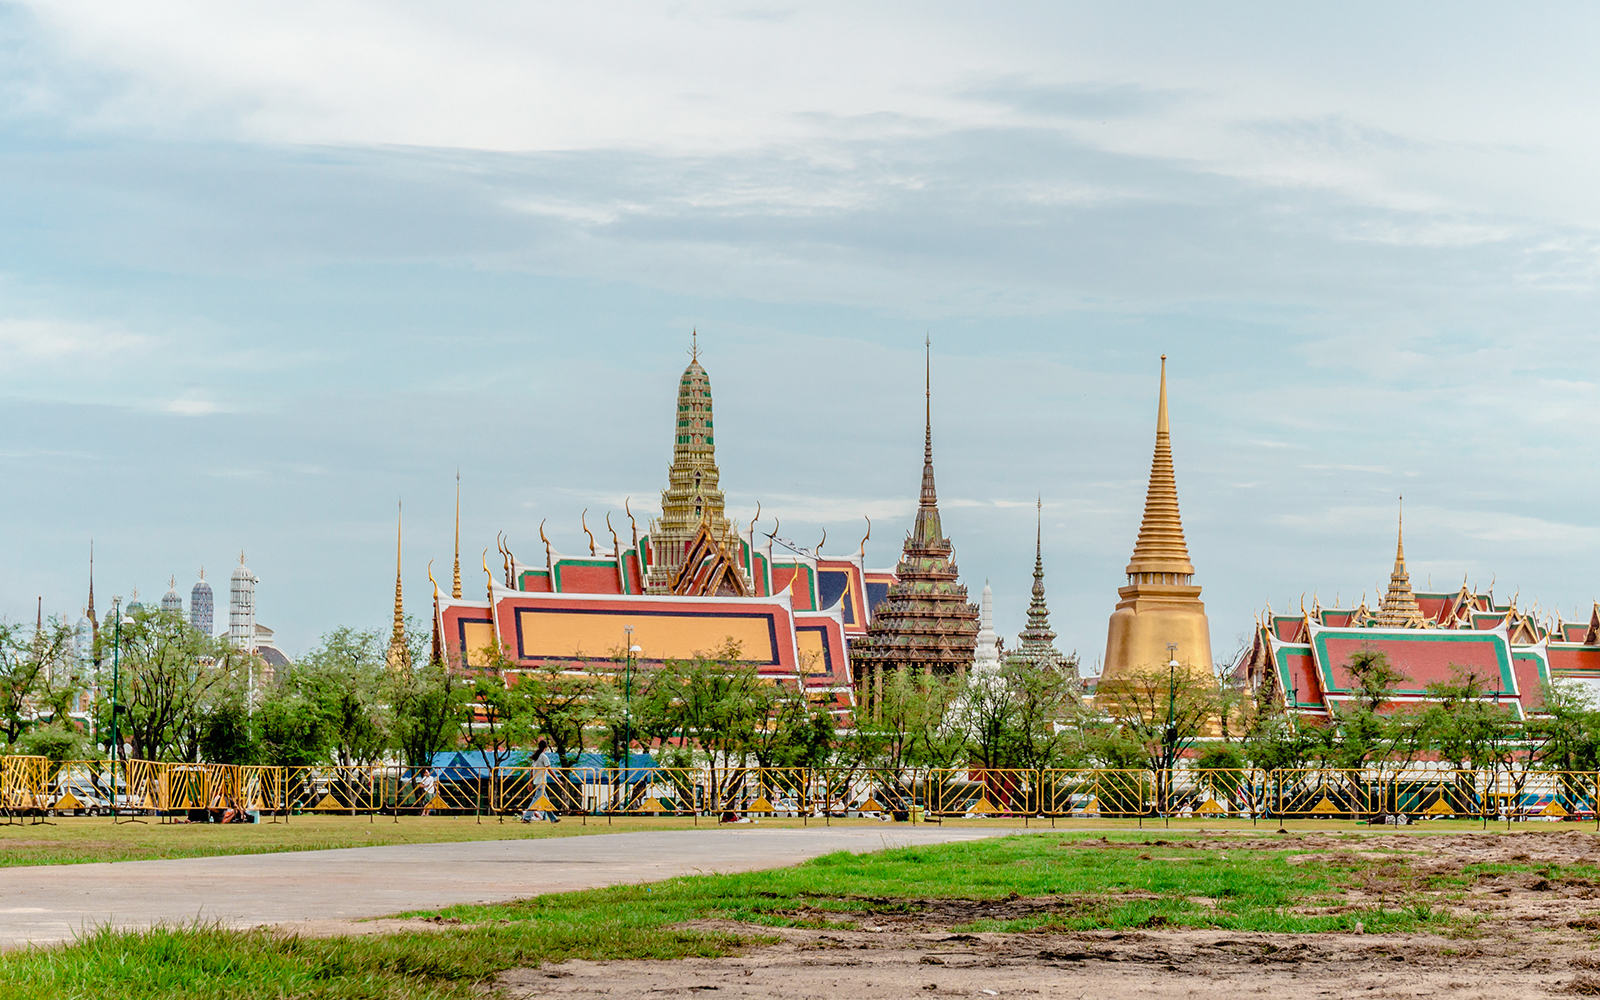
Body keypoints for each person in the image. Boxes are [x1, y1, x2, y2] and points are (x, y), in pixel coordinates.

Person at [522, 740, 560, 824]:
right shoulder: (543, 756)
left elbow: (532, 771)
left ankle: (553, 818)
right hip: (541, 782)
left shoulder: (536, 757)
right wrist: (557, 779)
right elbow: (549, 769)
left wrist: (530, 782)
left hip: (537, 782)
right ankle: (526, 818)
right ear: (546, 747)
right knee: (536, 800)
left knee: (546, 800)